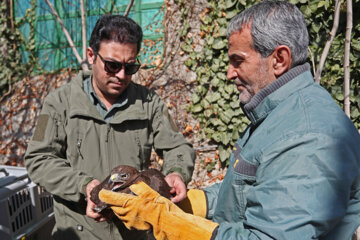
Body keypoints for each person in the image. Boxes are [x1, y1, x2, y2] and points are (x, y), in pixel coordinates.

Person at [98, 1, 360, 239]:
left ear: (279, 59)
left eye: (238, 61)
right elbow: (255, 192)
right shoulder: (279, 115)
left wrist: (167, 220)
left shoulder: (308, 136)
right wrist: (194, 202)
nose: (228, 73)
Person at [24, 15, 195, 239]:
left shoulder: (149, 103)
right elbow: (38, 158)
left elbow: (178, 146)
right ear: (91, 55)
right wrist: (84, 186)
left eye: (130, 67)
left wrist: (176, 172)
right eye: (112, 66)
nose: (122, 75)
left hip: (133, 232)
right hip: (78, 231)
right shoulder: (58, 103)